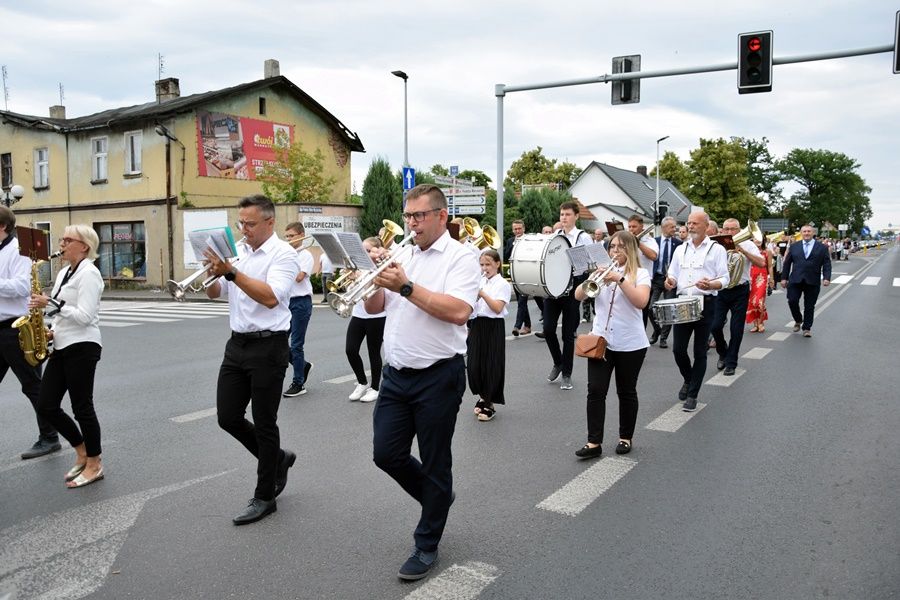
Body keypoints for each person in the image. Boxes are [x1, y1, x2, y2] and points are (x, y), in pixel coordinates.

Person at [364, 184, 480, 581]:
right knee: (386, 454)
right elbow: (376, 307)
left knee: (435, 460)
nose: (411, 223)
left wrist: (406, 286)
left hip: (438, 376)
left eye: (419, 216)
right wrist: (370, 283)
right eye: (408, 215)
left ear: (441, 216)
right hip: (395, 374)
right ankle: (438, 499)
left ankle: (426, 542)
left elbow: (460, 311)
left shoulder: (462, 258)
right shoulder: (402, 254)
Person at [205, 195, 299, 525]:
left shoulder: (284, 255)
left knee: (264, 421)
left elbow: (271, 297)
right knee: (227, 416)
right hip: (237, 344)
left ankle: (264, 496)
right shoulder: (239, 253)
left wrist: (230, 272)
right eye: (240, 223)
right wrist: (212, 274)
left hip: (269, 345)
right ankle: (277, 459)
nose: (243, 230)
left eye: (249, 224)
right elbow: (217, 294)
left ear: (269, 222)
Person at [30, 225, 105, 487]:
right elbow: (64, 311)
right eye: (62, 239)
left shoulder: (90, 274)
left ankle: (95, 463)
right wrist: (51, 330)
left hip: (83, 346)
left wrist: (49, 303)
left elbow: (85, 316)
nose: (61, 243)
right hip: (63, 344)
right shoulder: (64, 272)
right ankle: (81, 450)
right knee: (46, 405)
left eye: (67, 240)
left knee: (82, 407)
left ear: (84, 246)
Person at [573, 231, 651, 458]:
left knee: (626, 391)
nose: (615, 251)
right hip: (601, 341)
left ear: (631, 250)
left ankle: (625, 438)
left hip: (630, 342)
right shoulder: (602, 273)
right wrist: (592, 277)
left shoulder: (641, 274)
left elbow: (641, 301)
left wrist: (620, 279)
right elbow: (579, 296)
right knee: (595, 391)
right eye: (612, 247)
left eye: (620, 247)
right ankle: (593, 442)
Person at [0, 207, 61, 459]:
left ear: (2, 226)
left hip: (16, 328)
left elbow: (22, 287)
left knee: (33, 386)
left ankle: (49, 437)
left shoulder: (18, 251)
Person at [664, 211, 728, 412]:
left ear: (706, 226)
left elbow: (725, 279)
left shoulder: (716, 250)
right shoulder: (680, 249)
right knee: (678, 349)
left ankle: (692, 394)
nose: (690, 226)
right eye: (688, 223)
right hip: (683, 302)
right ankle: (689, 379)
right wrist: (670, 280)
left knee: (699, 351)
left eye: (694, 223)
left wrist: (711, 284)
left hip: (705, 303)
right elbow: (672, 272)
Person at [542, 202, 591, 390]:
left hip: (573, 289)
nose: (564, 217)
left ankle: (567, 374)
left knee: (568, 335)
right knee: (547, 329)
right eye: (562, 214)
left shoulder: (583, 237)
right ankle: (558, 361)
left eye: (568, 214)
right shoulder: (555, 237)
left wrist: (574, 260)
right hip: (553, 289)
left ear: (576, 216)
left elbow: (586, 265)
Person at [709, 218, 765, 376]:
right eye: (726, 229)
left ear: (739, 230)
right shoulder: (716, 245)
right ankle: (723, 352)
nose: (728, 232)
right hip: (721, 289)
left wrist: (743, 251)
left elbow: (761, 263)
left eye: (732, 229)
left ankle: (731, 362)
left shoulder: (747, 244)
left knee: (736, 328)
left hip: (740, 290)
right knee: (715, 326)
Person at [469, 249, 511, 422]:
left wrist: (482, 294)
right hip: (478, 324)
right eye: (482, 265)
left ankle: (490, 403)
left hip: (493, 326)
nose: (484, 268)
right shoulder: (480, 281)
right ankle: (482, 395)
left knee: (491, 365)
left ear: (497, 264)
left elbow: (497, 308)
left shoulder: (503, 284)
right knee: (474, 365)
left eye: (488, 264)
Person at [345, 237, 385, 403]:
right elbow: (349, 292)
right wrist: (352, 278)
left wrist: (364, 277)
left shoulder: (380, 267)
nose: (365, 254)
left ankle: (375, 387)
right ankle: (362, 382)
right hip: (358, 314)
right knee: (350, 349)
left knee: (373, 352)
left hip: (377, 317)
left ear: (376, 251)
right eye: (363, 251)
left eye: (368, 251)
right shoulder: (357, 267)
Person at [781, 224, 831, 337]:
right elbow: (787, 263)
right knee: (792, 300)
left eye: (809, 231)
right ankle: (798, 319)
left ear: (813, 233)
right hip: (795, 279)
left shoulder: (822, 247)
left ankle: (806, 328)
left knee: (809, 306)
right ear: (801, 233)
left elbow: (827, 264)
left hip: (813, 280)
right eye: (804, 231)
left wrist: (827, 278)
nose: (807, 233)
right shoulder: (794, 246)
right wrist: (784, 278)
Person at [282, 222, 314, 397]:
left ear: (301, 235)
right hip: (286, 303)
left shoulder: (305, 255)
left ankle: (298, 383)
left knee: (296, 345)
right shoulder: (287, 254)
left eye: (291, 236)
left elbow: (299, 277)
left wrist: (286, 262)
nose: (288, 239)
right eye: (286, 236)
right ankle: (303, 366)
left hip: (301, 302)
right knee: (278, 341)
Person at [648, 216, 681, 348]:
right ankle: (657, 330)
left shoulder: (678, 243)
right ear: (663, 228)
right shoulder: (654, 242)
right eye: (672, 227)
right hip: (657, 278)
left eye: (675, 226)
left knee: (669, 309)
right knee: (651, 308)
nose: (675, 229)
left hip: (671, 280)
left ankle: (663, 337)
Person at [506, 220, 532, 336]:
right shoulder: (510, 241)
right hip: (515, 275)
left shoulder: (529, 240)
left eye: (519, 228)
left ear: (524, 228)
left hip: (527, 275)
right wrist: (513, 246)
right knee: (522, 302)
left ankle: (517, 326)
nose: (517, 231)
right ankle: (527, 326)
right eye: (515, 229)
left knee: (522, 301)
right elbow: (506, 256)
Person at [746, 236, 774, 333]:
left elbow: (770, 266)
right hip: (750, 277)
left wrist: (772, 279)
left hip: (762, 277)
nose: (757, 240)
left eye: (759, 239)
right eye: (755, 238)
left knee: (759, 301)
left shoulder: (767, 251)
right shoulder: (749, 251)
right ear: (752, 240)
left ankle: (761, 323)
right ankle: (755, 324)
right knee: (752, 302)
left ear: (763, 240)